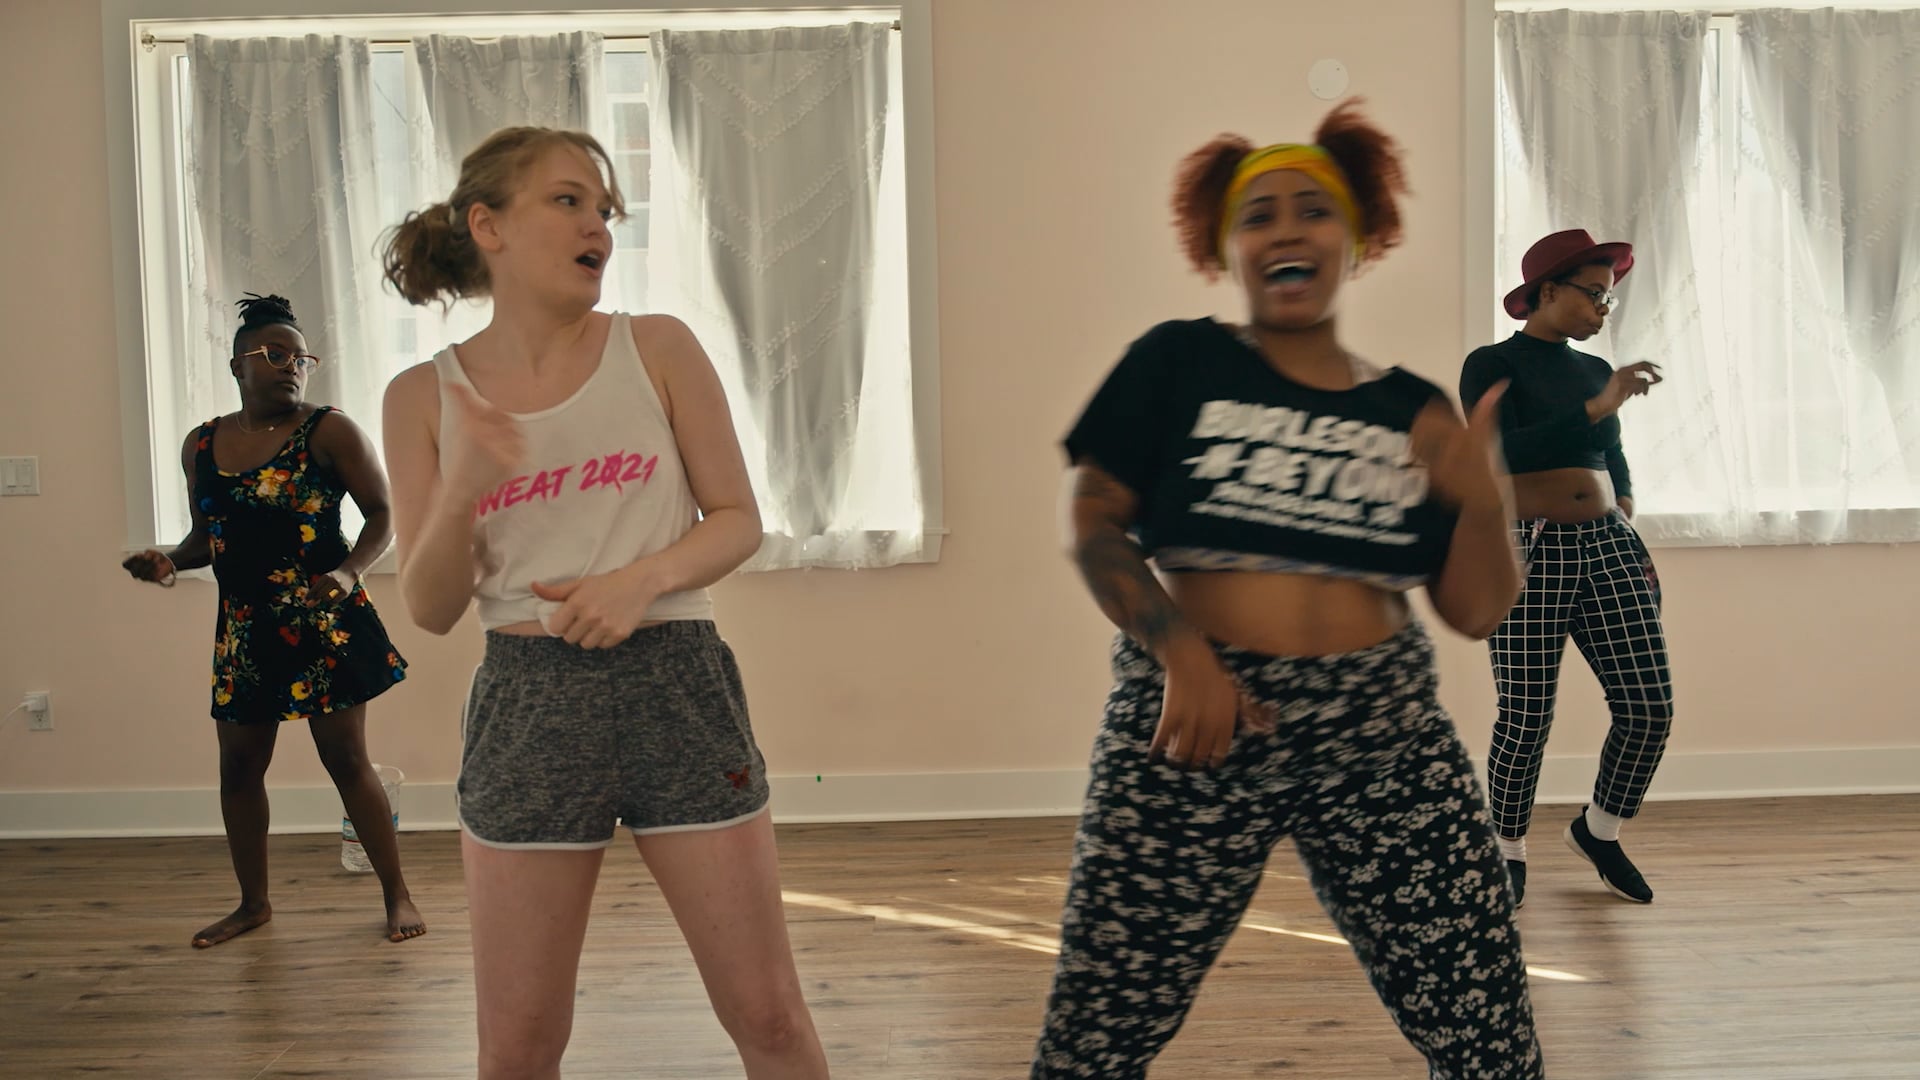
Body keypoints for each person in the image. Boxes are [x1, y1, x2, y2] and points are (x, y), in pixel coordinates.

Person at [1032, 101, 1544, 1080]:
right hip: (1194, 718)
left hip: (1381, 730)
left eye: (1313, 210)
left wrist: (1484, 498)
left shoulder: (1414, 408)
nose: (1286, 230)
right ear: (1226, 247)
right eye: (1257, 215)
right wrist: (1181, 656)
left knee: (1489, 1038)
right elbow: (1091, 519)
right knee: (1096, 1035)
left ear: (1356, 237)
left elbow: (1476, 612)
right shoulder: (1178, 360)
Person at [379, 126, 828, 1080]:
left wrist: (640, 580)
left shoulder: (656, 347)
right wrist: (461, 490)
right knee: (518, 1048)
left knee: (771, 1018)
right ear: (487, 226)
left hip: (679, 682)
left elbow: (738, 519)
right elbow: (429, 606)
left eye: (605, 210)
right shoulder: (422, 395)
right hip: (528, 703)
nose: (598, 226)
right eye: (568, 200)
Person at [121, 293, 423, 948]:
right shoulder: (201, 444)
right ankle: (252, 904)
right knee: (238, 767)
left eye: (301, 358)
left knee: (346, 758)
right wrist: (169, 560)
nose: (292, 367)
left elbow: (383, 514)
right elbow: (207, 539)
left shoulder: (330, 431)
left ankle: (396, 892)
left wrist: (350, 571)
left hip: (323, 619)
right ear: (238, 365)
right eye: (275, 354)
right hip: (246, 631)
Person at [1459, 229, 1672, 907]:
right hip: (1526, 550)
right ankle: (1507, 847)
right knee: (1526, 716)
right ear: (1546, 291)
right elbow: (1495, 454)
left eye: (1609, 298)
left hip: (1607, 544)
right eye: (1594, 293)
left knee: (1648, 706)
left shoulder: (1592, 368)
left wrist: (1623, 495)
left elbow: (1610, 448)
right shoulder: (1491, 364)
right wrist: (1597, 406)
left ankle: (1599, 831)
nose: (1604, 308)